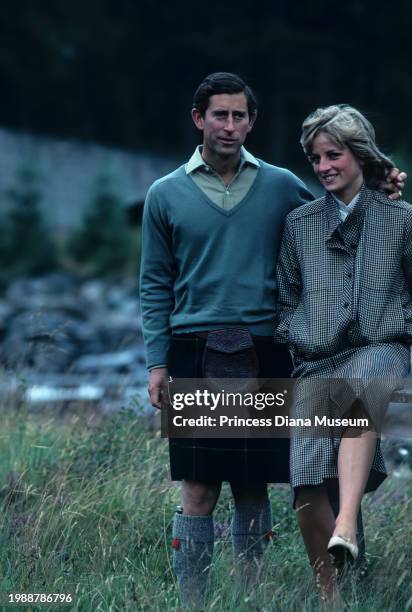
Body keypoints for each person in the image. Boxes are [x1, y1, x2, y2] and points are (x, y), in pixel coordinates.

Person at [140, 74, 405, 609]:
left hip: (267, 349)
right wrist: (156, 363)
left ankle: (248, 600)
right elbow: (154, 283)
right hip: (195, 344)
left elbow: (341, 217)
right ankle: (193, 602)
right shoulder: (163, 193)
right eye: (220, 115)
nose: (230, 126)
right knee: (198, 486)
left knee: (255, 483)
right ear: (199, 119)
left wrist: (383, 182)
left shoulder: (283, 184)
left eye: (240, 116)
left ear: (251, 121)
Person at [275, 104, 412, 606]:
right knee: (307, 482)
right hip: (318, 362)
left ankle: (348, 521)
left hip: (383, 349)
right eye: (315, 158)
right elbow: (285, 298)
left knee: (363, 391)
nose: (324, 165)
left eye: (334, 154)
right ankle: (333, 599)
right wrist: (301, 330)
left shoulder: (401, 219)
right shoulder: (300, 225)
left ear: (360, 153)